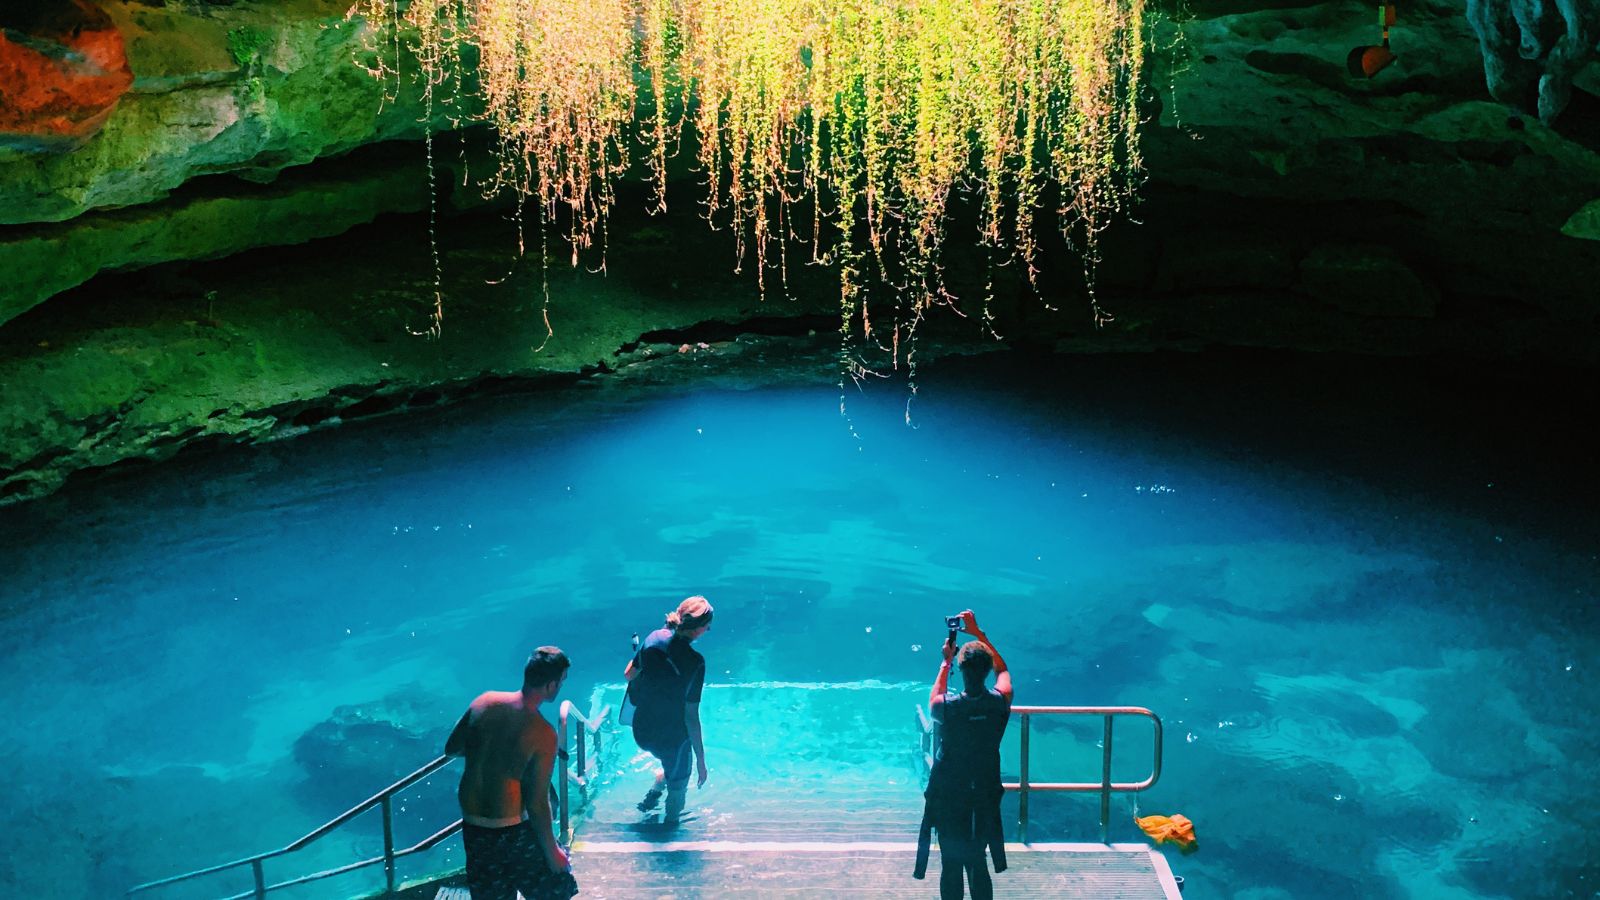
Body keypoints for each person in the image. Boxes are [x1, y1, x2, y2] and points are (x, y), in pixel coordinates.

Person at [444, 646, 578, 900]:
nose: (561, 686)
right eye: (561, 681)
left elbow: (451, 748)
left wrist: (491, 751)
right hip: (512, 833)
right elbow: (537, 803)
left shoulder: (484, 702)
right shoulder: (543, 734)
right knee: (557, 890)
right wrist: (553, 853)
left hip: (474, 831)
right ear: (551, 685)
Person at [915, 610, 1013, 900]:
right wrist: (979, 634)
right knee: (977, 862)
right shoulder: (999, 703)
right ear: (984, 671)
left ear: (961, 667)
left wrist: (945, 662)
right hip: (983, 792)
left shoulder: (946, 707)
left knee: (951, 864)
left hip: (949, 794)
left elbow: (935, 697)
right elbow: (1003, 671)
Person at [624, 595, 713, 824]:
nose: (708, 630)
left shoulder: (654, 638)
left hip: (642, 731)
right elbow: (691, 717)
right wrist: (701, 761)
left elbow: (629, 674)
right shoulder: (696, 663)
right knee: (678, 788)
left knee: (667, 763)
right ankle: (670, 828)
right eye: (707, 627)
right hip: (673, 740)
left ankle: (656, 786)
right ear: (698, 630)